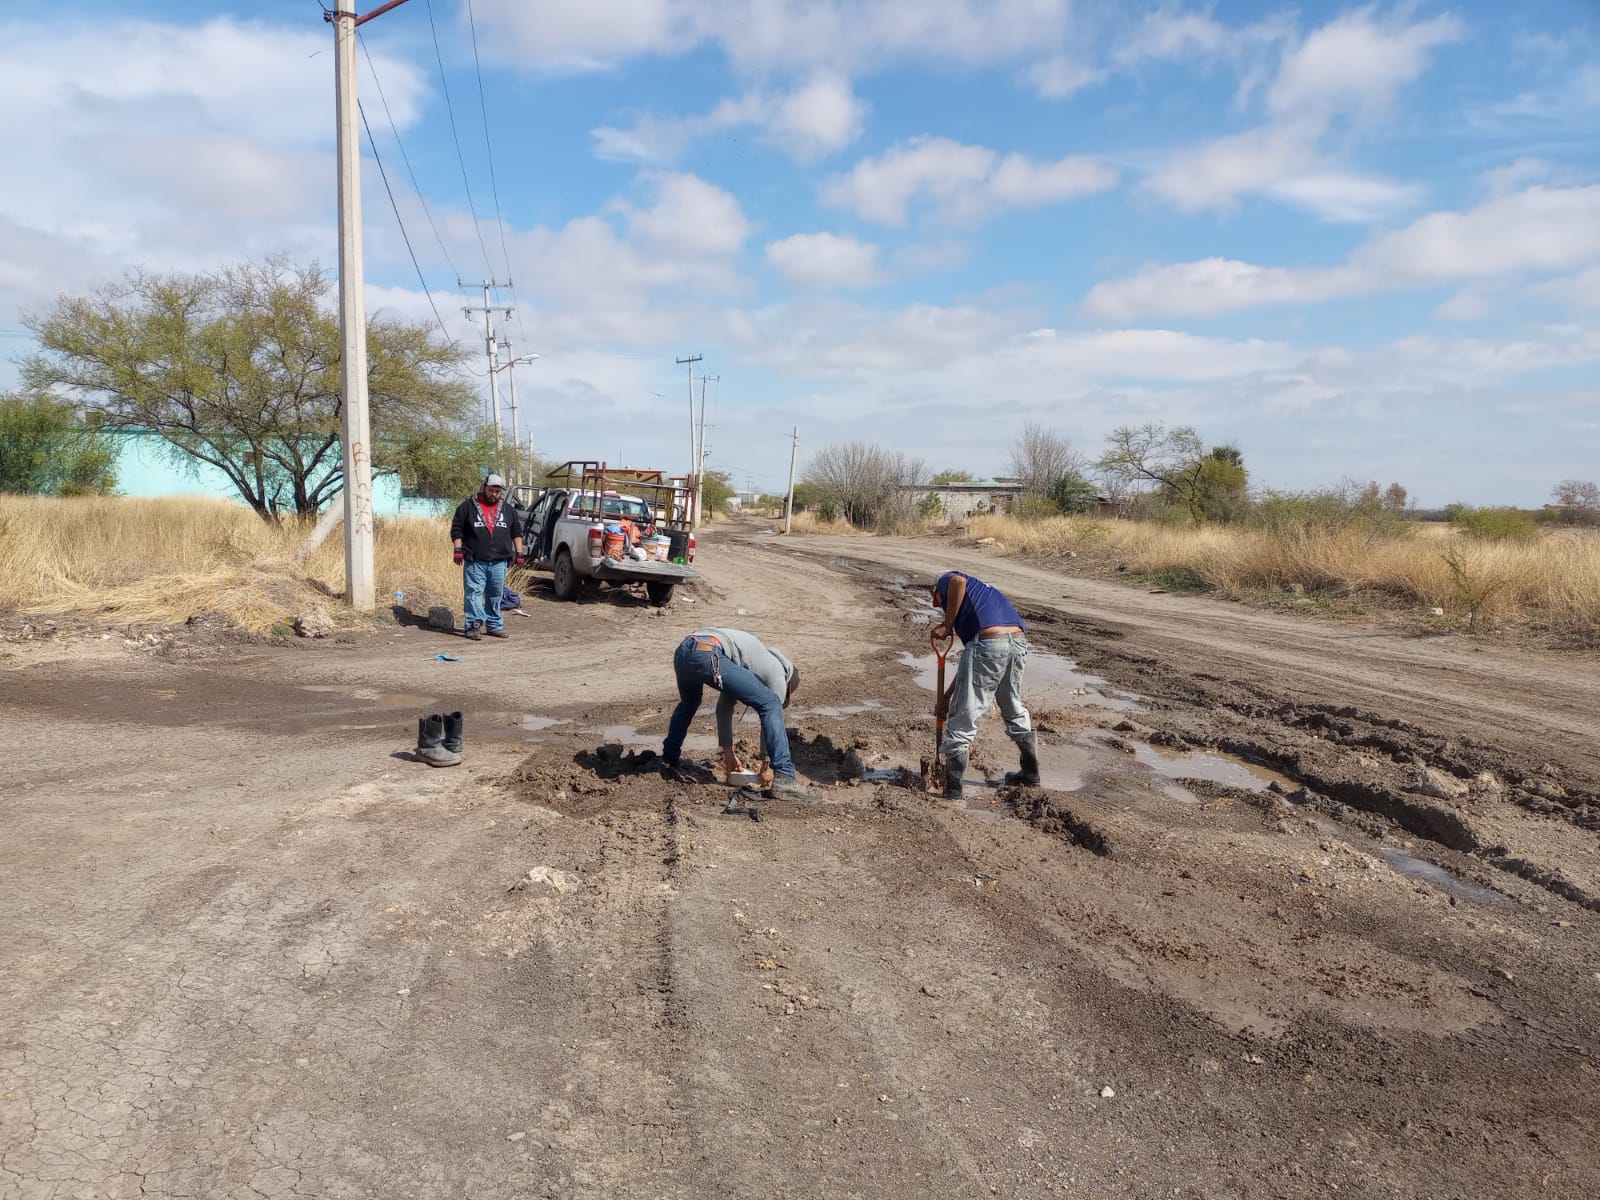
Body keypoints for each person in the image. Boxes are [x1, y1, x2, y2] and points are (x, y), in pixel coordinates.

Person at [661, 628, 816, 802]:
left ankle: (669, 757)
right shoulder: (778, 674)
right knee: (771, 703)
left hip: (685, 650)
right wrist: (767, 764)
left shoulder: (748, 661)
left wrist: (729, 755)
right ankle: (786, 777)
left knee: (689, 703)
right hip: (708, 652)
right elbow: (772, 712)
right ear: (789, 688)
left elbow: (724, 709)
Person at [929, 570, 1038, 799]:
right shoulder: (983, 594)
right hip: (1017, 643)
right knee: (1012, 705)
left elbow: (958, 582)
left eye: (938, 602)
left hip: (989, 642)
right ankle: (1031, 773)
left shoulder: (949, 579)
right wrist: (947, 697)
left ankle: (954, 788)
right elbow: (971, 667)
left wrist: (948, 624)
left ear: (939, 592)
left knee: (963, 716)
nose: (941, 607)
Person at [450, 473, 524, 640]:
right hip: (475, 559)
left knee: (495, 594)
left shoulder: (508, 510)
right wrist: (458, 550)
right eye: (491, 490)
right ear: (484, 487)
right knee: (474, 593)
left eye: (498, 491)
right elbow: (457, 530)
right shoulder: (467, 507)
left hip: (499, 561)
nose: (494, 494)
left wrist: (519, 553)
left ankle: (494, 625)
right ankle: (474, 624)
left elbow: (516, 532)